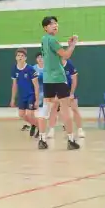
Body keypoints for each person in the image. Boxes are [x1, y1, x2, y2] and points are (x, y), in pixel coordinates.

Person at [37, 16, 80, 150]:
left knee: (45, 109)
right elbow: (65, 56)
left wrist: (66, 47)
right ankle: (71, 140)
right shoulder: (52, 39)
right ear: (45, 28)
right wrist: (72, 45)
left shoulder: (44, 40)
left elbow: (56, 57)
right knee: (65, 110)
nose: (55, 26)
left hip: (47, 79)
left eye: (56, 23)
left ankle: (42, 139)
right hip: (59, 79)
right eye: (51, 24)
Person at [9, 48, 39, 139]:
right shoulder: (14, 69)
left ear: (25, 58)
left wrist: (37, 100)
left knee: (30, 114)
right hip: (22, 96)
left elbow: (36, 85)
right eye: (18, 55)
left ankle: (41, 128)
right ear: (16, 57)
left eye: (22, 56)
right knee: (21, 115)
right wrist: (13, 99)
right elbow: (14, 85)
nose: (20, 57)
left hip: (31, 95)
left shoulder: (30, 69)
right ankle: (34, 124)